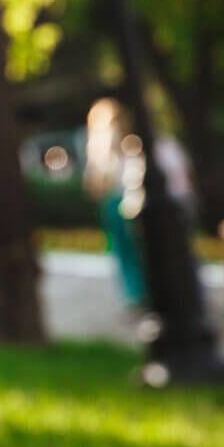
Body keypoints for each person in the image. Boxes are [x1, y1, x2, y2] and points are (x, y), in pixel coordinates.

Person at [82, 97, 148, 309]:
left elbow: (95, 178)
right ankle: (137, 290)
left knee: (126, 248)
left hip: (117, 197)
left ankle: (135, 292)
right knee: (130, 247)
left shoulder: (101, 138)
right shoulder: (116, 137)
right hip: (120, 196)